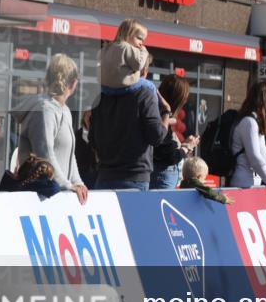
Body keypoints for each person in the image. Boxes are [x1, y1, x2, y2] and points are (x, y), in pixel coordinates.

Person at [91, 47, 170, 192]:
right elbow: (157, 136)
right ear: (143, 71)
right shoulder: (144, 95)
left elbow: (93, 139)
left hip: (104, 176)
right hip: (134, 178)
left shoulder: (101, 96)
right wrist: (166, 112)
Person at [16, 54, 89, 204]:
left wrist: (77, 182)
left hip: (56, 193)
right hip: (40, 196)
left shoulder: (64, 110)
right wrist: (67, 185)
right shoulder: (45, 110)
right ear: (73, 83)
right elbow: (45, 154)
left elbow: (69, 154)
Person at [230, 81, 266, 204]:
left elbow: (265, 155)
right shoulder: (249, 122)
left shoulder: (254, 121)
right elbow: (255, 158)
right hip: (242, 184)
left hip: (251, 183)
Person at [99, 19, 171, 114]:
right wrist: (144, 51)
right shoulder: (127, 47)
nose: (141, 43)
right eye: (139, 38)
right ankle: (156, 112)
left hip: (105, 88)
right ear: (128, 34)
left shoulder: (108, 47)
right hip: (122, 87)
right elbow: (139, 65)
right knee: (150, 86)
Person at [150, 75, 197, 189]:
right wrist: (187, 148)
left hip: (161, 176)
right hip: (161, 177)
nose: (185, 101)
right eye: (184, 98)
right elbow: (169, 156)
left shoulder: (155, 114)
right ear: (178, 99)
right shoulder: (161, 116)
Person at [74, 109, 98, 189]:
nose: (89, 118)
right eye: (87, 116)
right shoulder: (77, 135)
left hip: (96, 174)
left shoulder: (99, 134)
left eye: (92, 116)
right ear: (83, 118)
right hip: (80, 174)